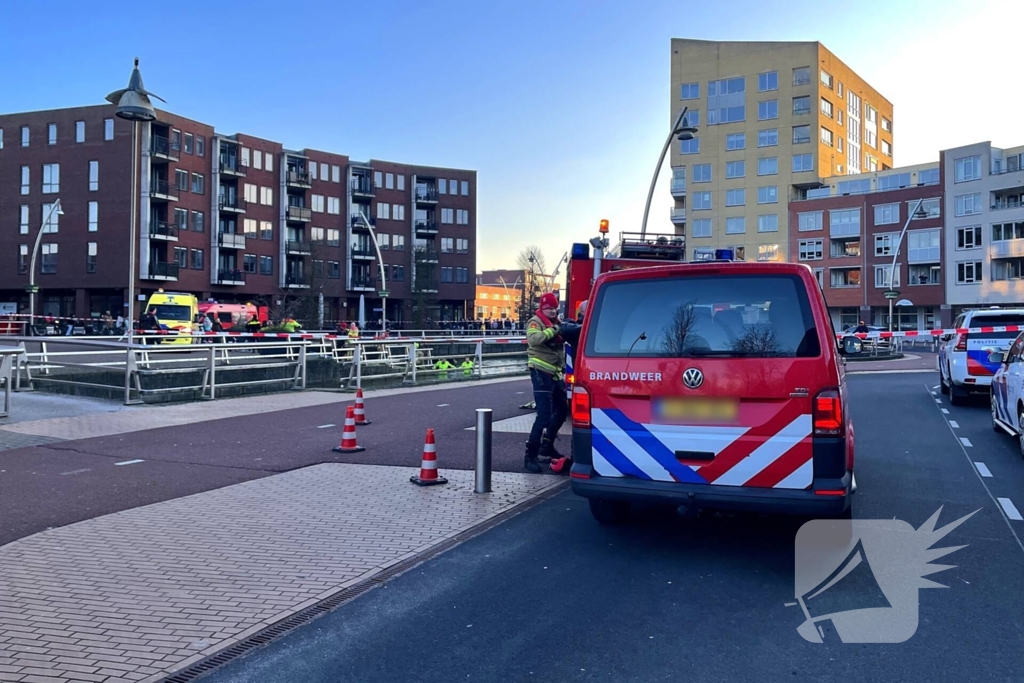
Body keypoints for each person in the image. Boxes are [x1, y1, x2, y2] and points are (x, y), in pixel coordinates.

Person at [524, 292, 580, 473]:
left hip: (554, 373)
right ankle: (530, 455)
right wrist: (556, 330)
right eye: (549, 308)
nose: (552, 311)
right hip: (540, 371)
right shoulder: (535, 322)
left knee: (562, 410)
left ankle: (547, 445)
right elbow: (534, 340)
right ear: (542, 308)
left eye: (554, 308)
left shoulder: (556, 321)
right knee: (544, 414)